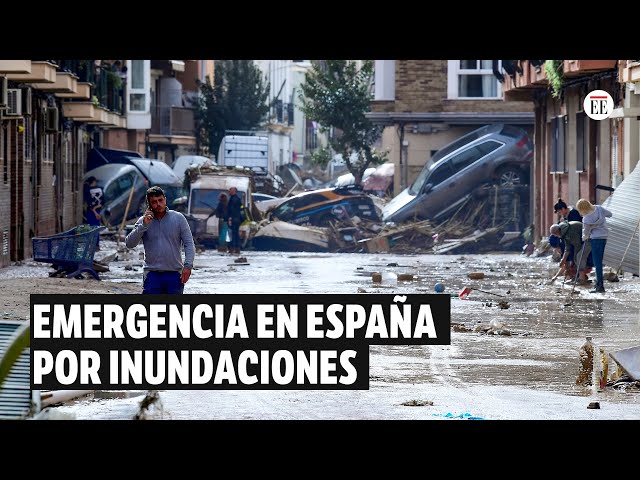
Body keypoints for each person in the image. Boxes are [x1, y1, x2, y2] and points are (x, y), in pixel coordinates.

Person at [125, 186, 195, 294]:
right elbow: (129, 244)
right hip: (152, 275)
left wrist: (188, 266)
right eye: (154, 202)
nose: (158, 204)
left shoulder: (179, 218)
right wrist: (144, 225)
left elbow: (189, 243)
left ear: (165, 200)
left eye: (160, 200)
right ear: (149, 205)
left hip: (174, 274)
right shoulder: (143, 221)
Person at [576, 198, 612, 293]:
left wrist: (584, 236)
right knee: (599, 261)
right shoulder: (599, 208)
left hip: (595, 239)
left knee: (598, 263)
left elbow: (586, 233)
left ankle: (600, 286)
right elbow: (610, 214)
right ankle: (599, 285)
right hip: (604, 237)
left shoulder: (586, 219)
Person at [83, 176, 103, 250]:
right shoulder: (100, 189)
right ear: (94, 182)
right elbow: (102, 202)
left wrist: (94, 212)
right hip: (98, 211)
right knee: (97, 228)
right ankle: (97, 245)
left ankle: (91, 245)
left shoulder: (87, 190)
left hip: (91, 213)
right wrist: (97, 212)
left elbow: (89, 203)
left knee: (91, 228)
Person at [227, 186, 244, 255]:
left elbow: (232, 210)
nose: (229, 192)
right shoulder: (237, 199)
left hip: (234, 219)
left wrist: (230, 218)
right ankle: (236, 248)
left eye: (230, 190)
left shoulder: (234, 199)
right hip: (237, 219)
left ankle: (233, 248)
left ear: (234, 191)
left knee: (233, 234)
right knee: (234, 234)